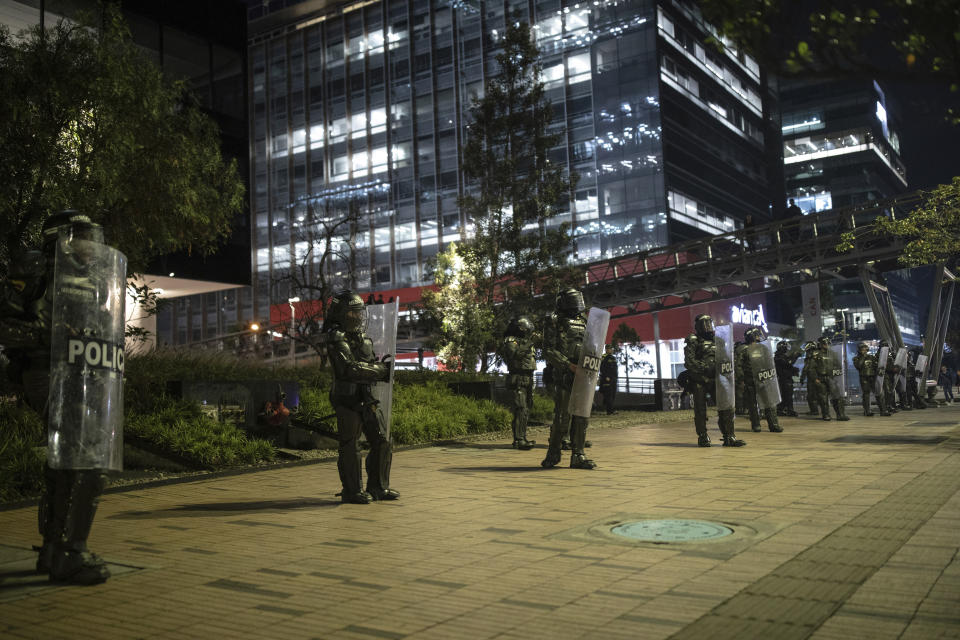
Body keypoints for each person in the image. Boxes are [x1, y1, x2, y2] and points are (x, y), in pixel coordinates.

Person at [0, 211, 122, 585]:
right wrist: (47, 334)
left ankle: (56, 549)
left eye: (93, 238)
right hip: (46, 374)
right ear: (62, 238)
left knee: (68, 462)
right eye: (83, 237)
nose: (91, 246)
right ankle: (70, 552)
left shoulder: (90, 279)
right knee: (84, 460)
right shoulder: (37, 272)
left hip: (83, 375)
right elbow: (7, 321)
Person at [324, 290, 398, 504]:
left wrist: (375, 369)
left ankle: (378, 487)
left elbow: (365, 366)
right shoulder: (336, 337)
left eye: (359, 312)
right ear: (341, 314)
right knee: (350, 444)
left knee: (382, 441)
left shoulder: (363, 338)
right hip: (347, 398)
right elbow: (348, 369)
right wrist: (381, 371)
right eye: (352, 313)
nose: (357, 317)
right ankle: (352, 490)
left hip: (367, 397)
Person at [541, 288, 597, 469]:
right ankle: (553, 453)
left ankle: (578, 454)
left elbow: (591, 345)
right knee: (562, 416)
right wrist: (567, 365)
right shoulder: (554, 321)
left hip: (584, 373)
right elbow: (548, 350)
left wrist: (594, 361)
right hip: (564, 373)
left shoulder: (584, 320)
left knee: (582, 416)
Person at [683, 314, 746, 447]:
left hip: (718, 378)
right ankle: (703, 436)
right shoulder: (693, 340)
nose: (707, 326)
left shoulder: (719, 340)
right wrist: (705, 368)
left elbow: (727, 357)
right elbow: (689, 361)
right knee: (700, 409)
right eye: (703, 323)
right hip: (700, 378)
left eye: (708, 323)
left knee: (726, 407)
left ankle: (729, 436)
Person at [499, 316, 537, 450]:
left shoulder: (525, 341)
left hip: (528, 377)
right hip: (517, 378)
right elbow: (515, 355)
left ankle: (522, 437)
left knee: (526, 409)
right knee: (520, 409)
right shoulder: (511, 340)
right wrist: (529, 344)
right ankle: (518, 439)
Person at [737, 327, 782, 432]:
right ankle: (756, 424)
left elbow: (770, 363)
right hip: (750, 380)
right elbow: (738, 366)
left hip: (764, 379)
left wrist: (772, 376)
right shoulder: (743, 349)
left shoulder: (764, 348)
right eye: (757, 335)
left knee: (769, 402)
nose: (759, 337)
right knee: (752, 404)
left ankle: (773, 424)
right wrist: (741, 380)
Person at [817, 336, 849, 421]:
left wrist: (836, 372)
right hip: (820, 378)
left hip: (831, 378)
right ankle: (826, 415)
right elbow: (811, 368)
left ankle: (840, 415)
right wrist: (815, 378)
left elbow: (838, 365)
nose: (826, 345)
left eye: (827, 344)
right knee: (823, 398)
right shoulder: (816, 354)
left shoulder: (833, 354)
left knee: (837, 397)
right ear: (821, 344)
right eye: (824, 344)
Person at [853, 342, 886, 416]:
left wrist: (880, 370)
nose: (864, 351)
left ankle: (883, 410)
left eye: (865, 349)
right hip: (864, 377)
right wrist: (863, 357)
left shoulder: (872, 357)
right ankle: (867, 411)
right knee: (866, 395)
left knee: (878, 393)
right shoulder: (856, 358)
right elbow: (858, 366)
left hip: (873, 377)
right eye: (862, 350)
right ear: (859, 350)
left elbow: (876, 366)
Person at [774, 341, 801, 416]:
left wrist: (794, 369)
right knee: (786, 395)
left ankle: (784, 409)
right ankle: (787, 410)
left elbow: (788, 365)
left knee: (787, 395)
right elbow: (788, 363)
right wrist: (795, 356)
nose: (787, 349)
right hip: (783, 379)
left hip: (786, 378)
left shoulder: (782, 356)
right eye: (785, 348)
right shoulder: (778, 357)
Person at [799, 341, 822, 416]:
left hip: (812, 378)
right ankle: (823, 411)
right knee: (819, 395)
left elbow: (806, 368)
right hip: (818, 377)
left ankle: (814, 410)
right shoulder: (819, 354)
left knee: (811, 396)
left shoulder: (810, 355)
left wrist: (802, 377)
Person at [599, 344, 618, 415]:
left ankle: (610, 409)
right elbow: (602, 368)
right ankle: (609, 411)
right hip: (607, 379)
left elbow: (615, 369)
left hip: (614, 379)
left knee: (613, 395)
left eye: (611, 348)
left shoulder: (613, 358)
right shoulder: (604, 357)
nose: (611, 350)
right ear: (606, 349)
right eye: (609, 349)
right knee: (608, 395)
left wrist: (615, 378)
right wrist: (606, 377)